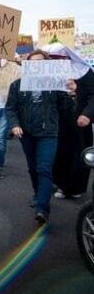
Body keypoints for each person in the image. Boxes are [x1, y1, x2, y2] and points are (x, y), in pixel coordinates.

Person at [5, 49, 72, 224]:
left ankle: (42, 208)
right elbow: (10, 108)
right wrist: (15, 125)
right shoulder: (17, 85)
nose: (36, 66)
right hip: (26, 133)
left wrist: (68, 92)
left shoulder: (55, 83)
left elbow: (65, 109)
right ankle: (38, 194)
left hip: (49, 133)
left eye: (40, 63)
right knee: (33, 168)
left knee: (44, 168)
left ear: (47, 64)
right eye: (32, 63)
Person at [54, 66, 94, 199]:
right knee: (60, 153)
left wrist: (87, 113)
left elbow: (92, 94)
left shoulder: (84, 71)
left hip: (80, 119)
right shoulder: (53, 69)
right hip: (59, 120)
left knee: (79, 154)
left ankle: (76, 187)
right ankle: (61, 184)